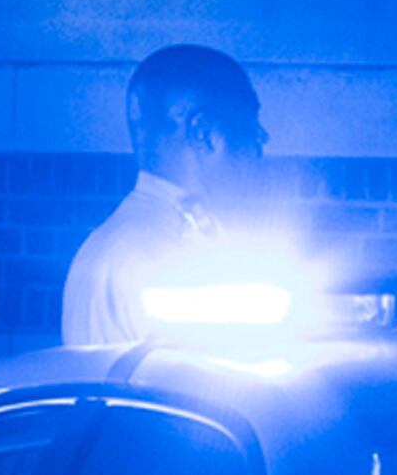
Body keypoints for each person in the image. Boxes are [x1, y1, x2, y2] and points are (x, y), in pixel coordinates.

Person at [65, 43, 267, 346]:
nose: (261, 141)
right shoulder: (155, 257)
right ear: (202, 132)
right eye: (249, 125)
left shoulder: (121, 245)